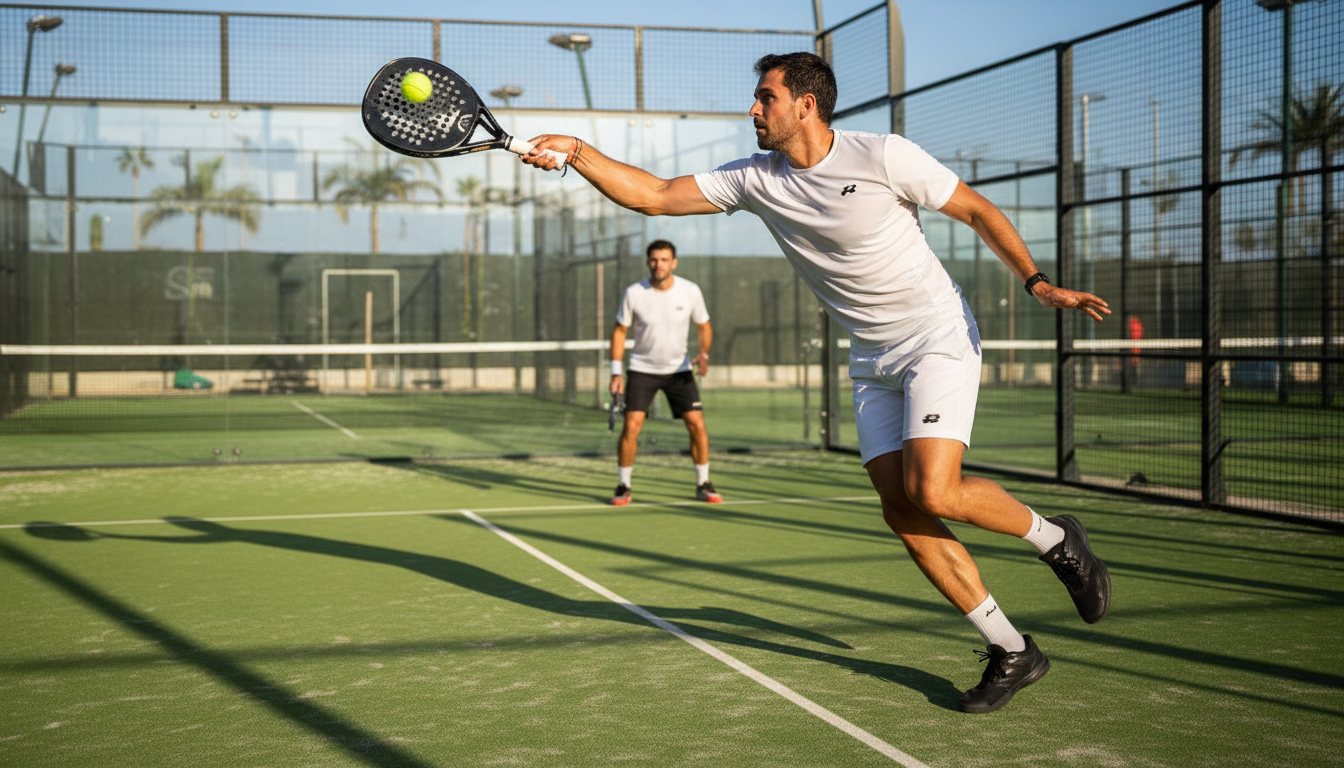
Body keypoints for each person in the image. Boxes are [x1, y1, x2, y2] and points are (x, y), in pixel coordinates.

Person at [521, 51, 1112, 714]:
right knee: (901, 509)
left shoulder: (882, 155)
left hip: (936, 337)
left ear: (805, 105)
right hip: (871, 358)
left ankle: (1056, 539)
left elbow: (976, 210)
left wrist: (1037, 282)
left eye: (765, 97)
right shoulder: (755, 178)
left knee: (933, 489)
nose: (753, 109)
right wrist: (577, 151)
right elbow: (653, 195)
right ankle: (1012, 649)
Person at [608, 239, 720, 507]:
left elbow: (704, 325)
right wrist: (616, 373)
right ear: (648, 262)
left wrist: (704, 354)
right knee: (631, 426)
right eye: (654, 260)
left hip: (679, 371)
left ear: (674, 263)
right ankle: (624, 486)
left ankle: (703, 483)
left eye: (664, 260)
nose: (659, 265)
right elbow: (620, 330)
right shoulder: (634, 293)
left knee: (697, 424)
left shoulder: (690, 291)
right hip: (642, 370)